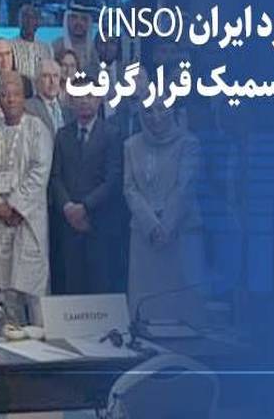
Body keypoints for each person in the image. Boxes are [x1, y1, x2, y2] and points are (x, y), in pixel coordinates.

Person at [123, 100, 205, 323]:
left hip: (180, 233)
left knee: (182, 311)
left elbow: (185, 187)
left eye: (161, 109)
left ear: (172, 110)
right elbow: (130, 189)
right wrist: (151, 225)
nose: (155, 117)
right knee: (146, 311)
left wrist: (166, 226)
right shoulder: (131, 146)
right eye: (148, 111)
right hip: (144, 236)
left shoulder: (189, 143)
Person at [0, 74, 53, 319]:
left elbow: (40, 172)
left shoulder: (37, 128)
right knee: (3, 292)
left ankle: (42, 341)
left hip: (28, 219)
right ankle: (7, 341)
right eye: (4, 95)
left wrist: (15, 206)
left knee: (33, 289)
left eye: (15, 94)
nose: (10, 99)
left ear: (24, 98)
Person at [50, 83, 124, 294]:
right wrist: (67, 207)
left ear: (99, 99)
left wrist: (85, 207)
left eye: (90, 96)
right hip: (68, 224)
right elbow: (55, 177)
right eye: (80, 96)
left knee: (100, 285)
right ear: (72, 101)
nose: (84, 101)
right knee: (72, 286)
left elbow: (113, 179)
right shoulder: (62, 135)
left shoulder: (112, 134)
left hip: (99, 222)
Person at [26, 59, 71, 139]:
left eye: (55, 76)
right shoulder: (28, 108)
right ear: (37, 81)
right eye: (46, 76)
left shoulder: (68, 108)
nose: (52, 81)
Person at [11, 4, 52, 80]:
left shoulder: (46, 48)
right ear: (19, 21)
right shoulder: (11, 46)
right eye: (25, 17)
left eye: (32, 18)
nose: (29, 21)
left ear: (37, 23)